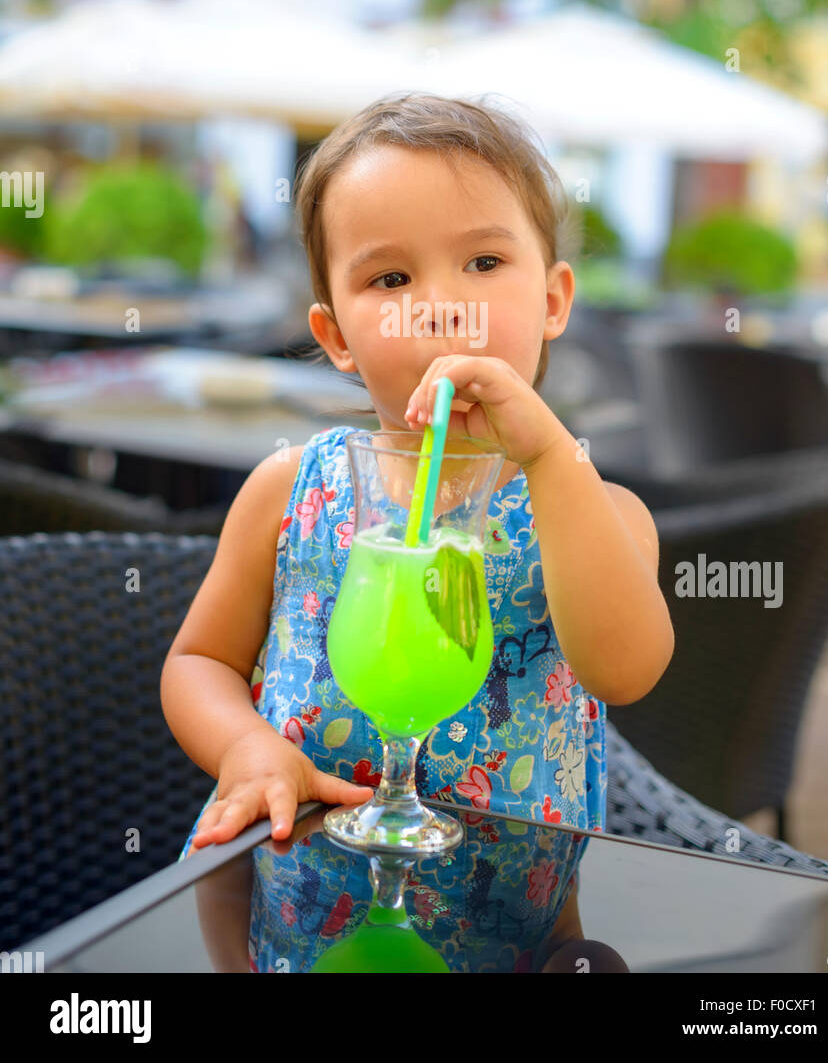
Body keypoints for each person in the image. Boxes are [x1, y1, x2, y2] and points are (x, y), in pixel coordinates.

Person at [161, 92, 673, 971]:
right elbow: (197, 661)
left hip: (509, 923)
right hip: (294, 895)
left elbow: (623, 670)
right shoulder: (291, 489)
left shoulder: (591, 508)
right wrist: (250, 749)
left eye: (482, 261)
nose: (439, 307)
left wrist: (548, 454)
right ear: (336, 336)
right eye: (390, 280)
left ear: (552, 301)